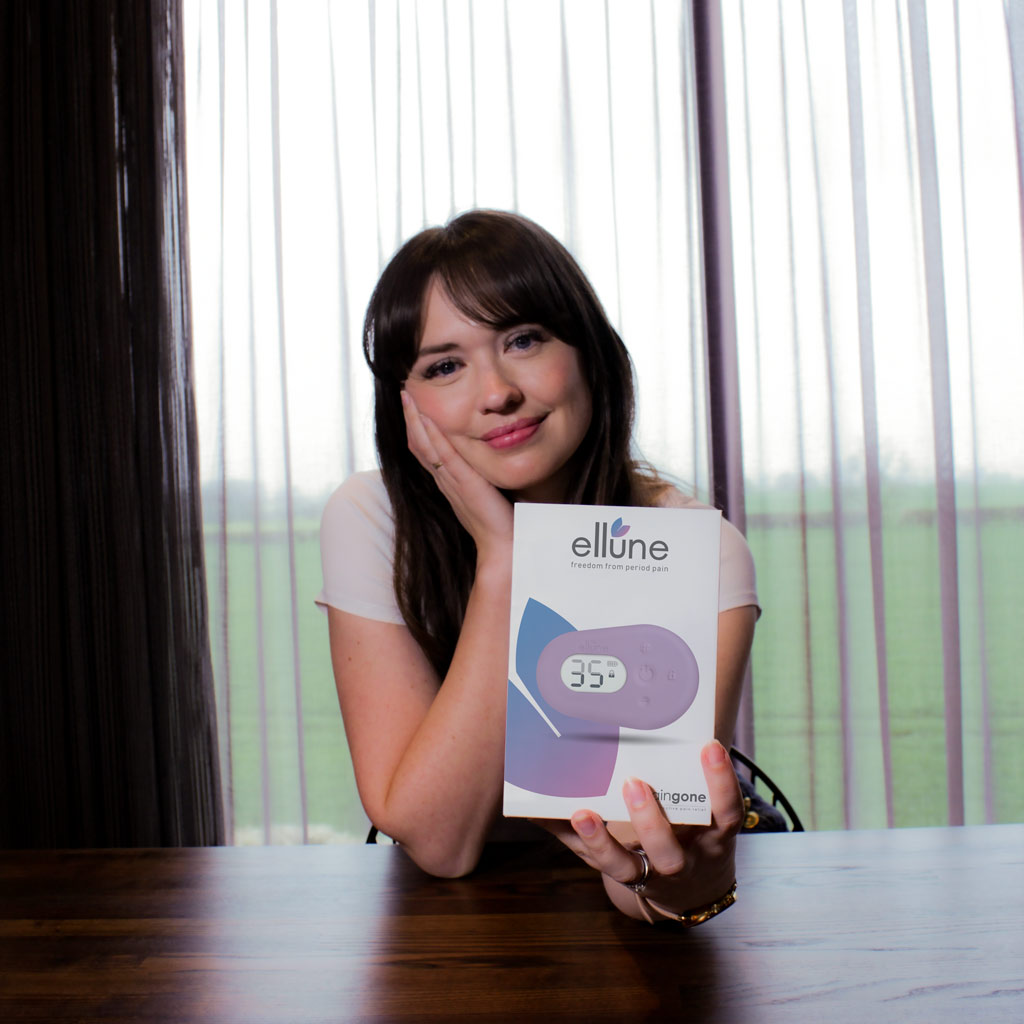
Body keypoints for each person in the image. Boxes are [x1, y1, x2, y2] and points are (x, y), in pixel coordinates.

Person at [318, 209, 759, 924]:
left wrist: (680, 888)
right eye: (445, 365)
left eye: (523, 339)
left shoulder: (692, 545)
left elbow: (636, 860)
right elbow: (439, 842)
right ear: (405, 403)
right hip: (443, 945)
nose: (497, 393)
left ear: (587, 349)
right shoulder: (373, 518)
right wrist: (506, 564)